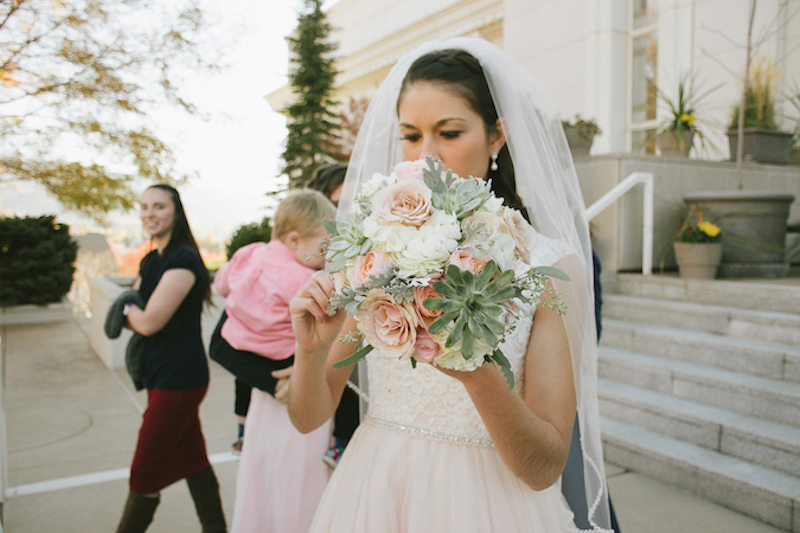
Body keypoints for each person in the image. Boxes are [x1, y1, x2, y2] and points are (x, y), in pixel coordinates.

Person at [285, 38, 614, 532]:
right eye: (411, 136)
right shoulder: (377, 252)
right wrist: (310, 353)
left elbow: (546, 466)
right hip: (376, 490)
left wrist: (476, 371)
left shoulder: (551, 268)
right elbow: (309, 418)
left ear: (497, 136)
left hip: (490, 505)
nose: (427, 157)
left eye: (450, 132)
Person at [222, 189, 338, 533]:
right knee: (300, 476)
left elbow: (220, 284)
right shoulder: (306, 281)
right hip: (296, 381)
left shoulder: (247, 255)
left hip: (262, 388)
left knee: (265, 474)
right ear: (294, 239)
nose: (326, 256)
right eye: (323, 247)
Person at [115, 184, 226, 533]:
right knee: (194, 460)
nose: (150, 213)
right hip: (160, 374)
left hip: (181, 378)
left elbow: (147, 322)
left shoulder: (184, 260)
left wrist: (127, 308)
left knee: (143, 474)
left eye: (159, 206)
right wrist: (130, 306)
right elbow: (134, 300)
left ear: (175, 212)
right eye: (145, 206)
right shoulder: (152, 260)